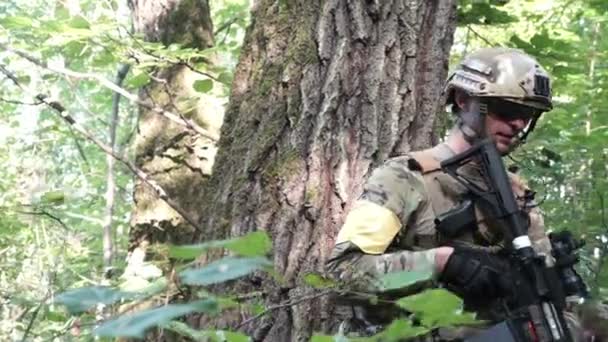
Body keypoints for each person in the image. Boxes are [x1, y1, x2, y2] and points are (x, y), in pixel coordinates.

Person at [325, 47, 583, 340]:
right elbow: (341, 273)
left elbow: (551, 297)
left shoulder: (519, 197)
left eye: (527, 114)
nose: (518, 124)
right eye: (508, 110)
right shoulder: (404, 178)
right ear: (463, 100)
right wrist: (442, 262)